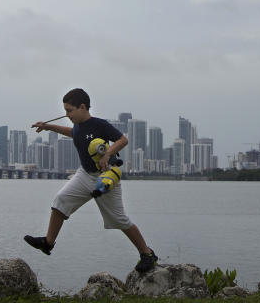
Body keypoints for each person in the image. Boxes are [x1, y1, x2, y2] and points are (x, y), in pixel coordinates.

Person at [24, 87, 159, 273]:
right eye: (65, 111)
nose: (67, 115)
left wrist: (108, 154)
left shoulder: (99, 124)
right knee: (60, 201)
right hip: (85, 174)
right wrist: (48, 126)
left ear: (82, 107)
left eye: (69, 110)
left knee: (119, 219)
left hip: (105, 177)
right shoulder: (78, 127)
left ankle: (147, 253)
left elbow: (123, 140)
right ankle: (48, 243)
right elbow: (73, 133)